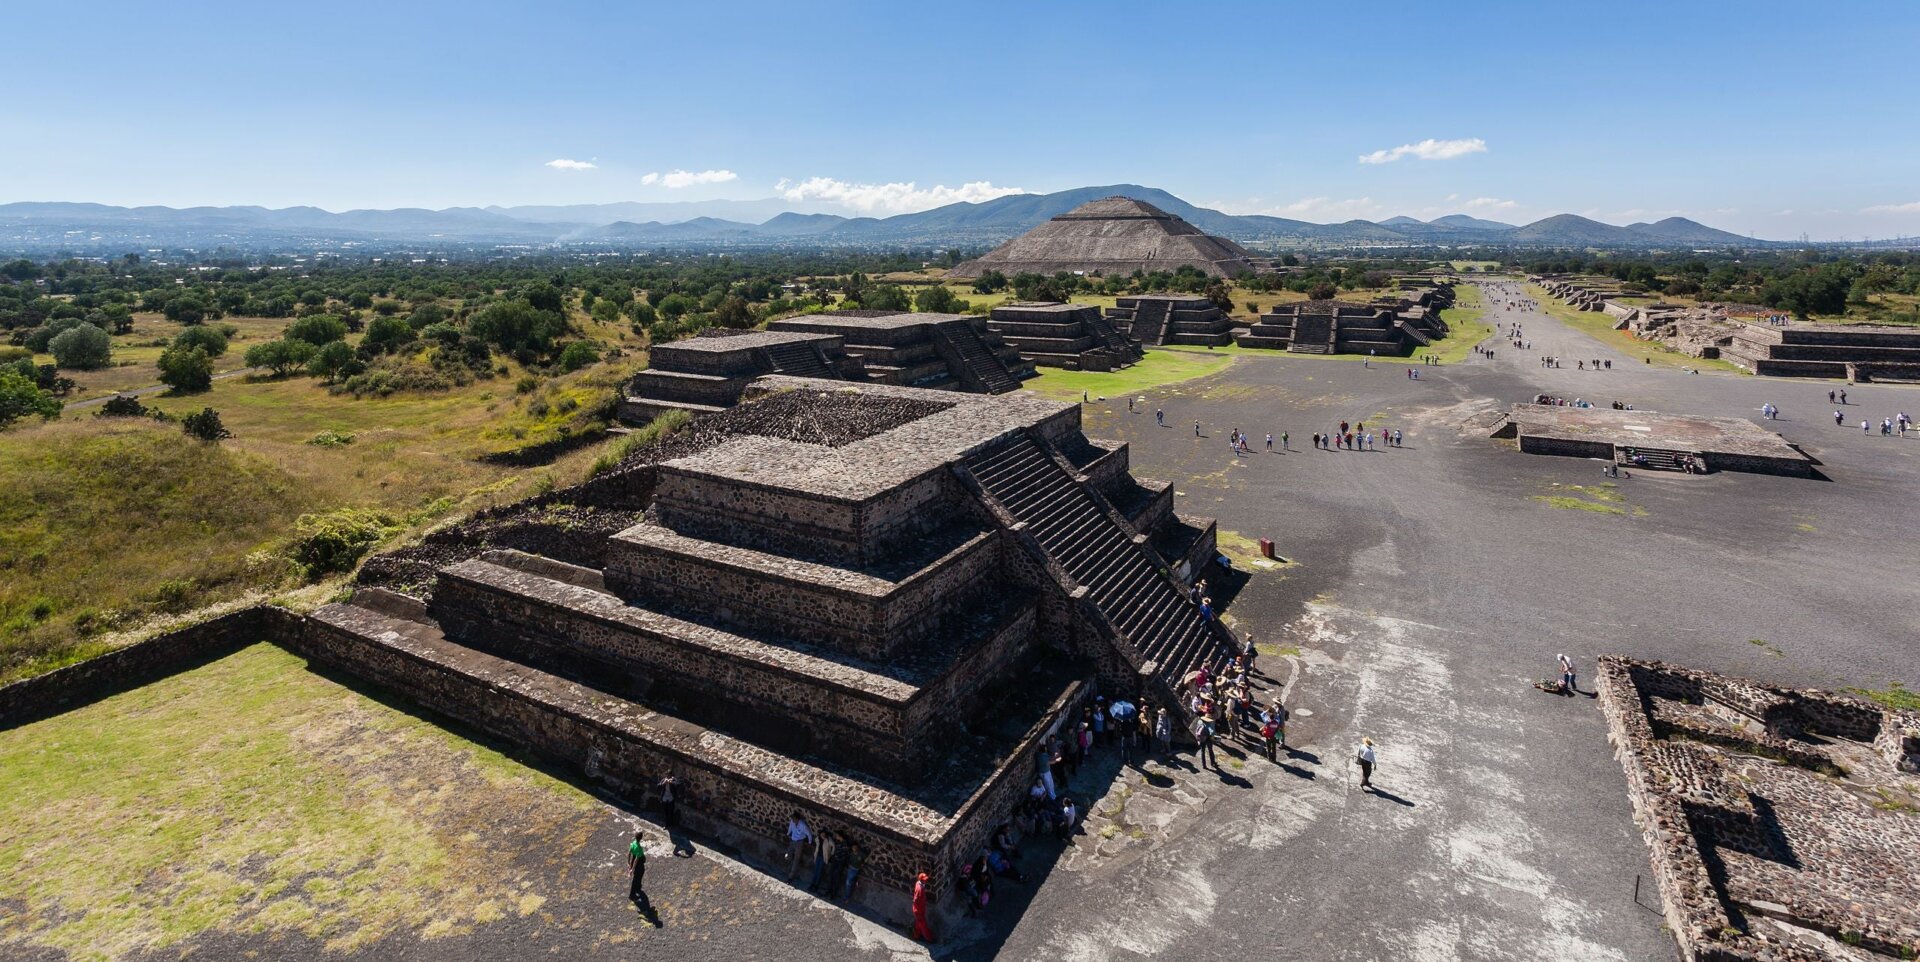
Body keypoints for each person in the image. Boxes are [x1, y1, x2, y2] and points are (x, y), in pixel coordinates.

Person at [784, 812, 812, 881]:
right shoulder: (792, 822)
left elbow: (808, 834)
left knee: (796, 859)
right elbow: (790, 828)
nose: (792, 820)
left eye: (793, 818)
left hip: (799, 842)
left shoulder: (803, 825)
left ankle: (791, 876)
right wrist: (787, 834)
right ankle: (790, 867)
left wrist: (809, 842)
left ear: (797, 819)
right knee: (787, 855)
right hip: (793, 840)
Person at [911, 872, 934, 942]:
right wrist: (918, 908)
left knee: (919, 923)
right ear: (921, 880)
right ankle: (929, 938)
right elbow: (915, 900)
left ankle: (916, 935)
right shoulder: (919, 889)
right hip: (919, 910)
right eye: (924, 880)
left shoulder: (918, 883)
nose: (925, 881)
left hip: (918, 909)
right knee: (923, 925)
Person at [627, 830, 648, 904]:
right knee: (637, 877)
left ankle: (638, 887)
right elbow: (637, 860)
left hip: (633, 859)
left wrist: (629, 863)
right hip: (638, 864)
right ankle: (632, 894)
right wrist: (632, 869)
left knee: (637, 877)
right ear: (641, 838)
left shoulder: (633, 844)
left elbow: (629, 853)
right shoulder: (639, 848)